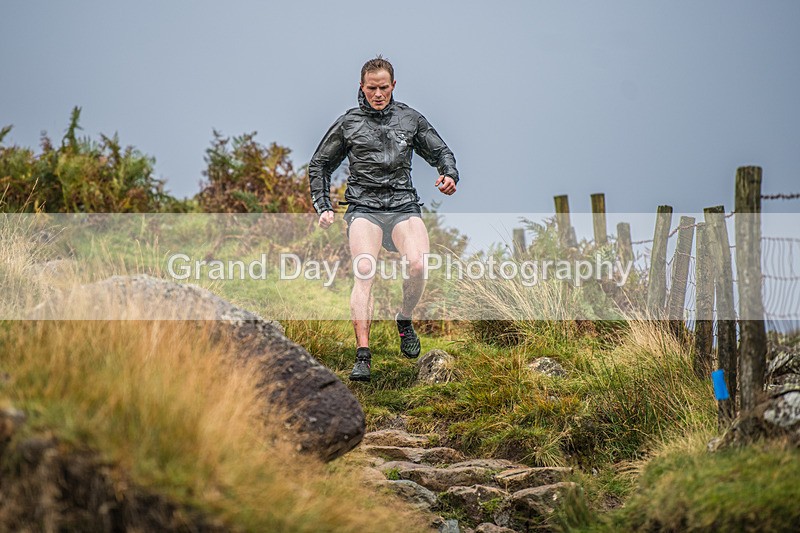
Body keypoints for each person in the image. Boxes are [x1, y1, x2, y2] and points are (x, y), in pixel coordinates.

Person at [308, 56, 459, 382]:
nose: (378, 94)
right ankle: (363, 354)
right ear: (361, 87)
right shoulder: (348, 123)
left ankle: (404, 319)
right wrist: (324, 206)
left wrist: (449, 174)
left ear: (393, 86)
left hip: (403, 205)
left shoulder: (409, 119)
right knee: (364, 270)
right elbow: (319, 164)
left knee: (418, 265)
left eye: (384, 88)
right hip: (364, 208)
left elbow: (441, 151)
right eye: (372, 88)